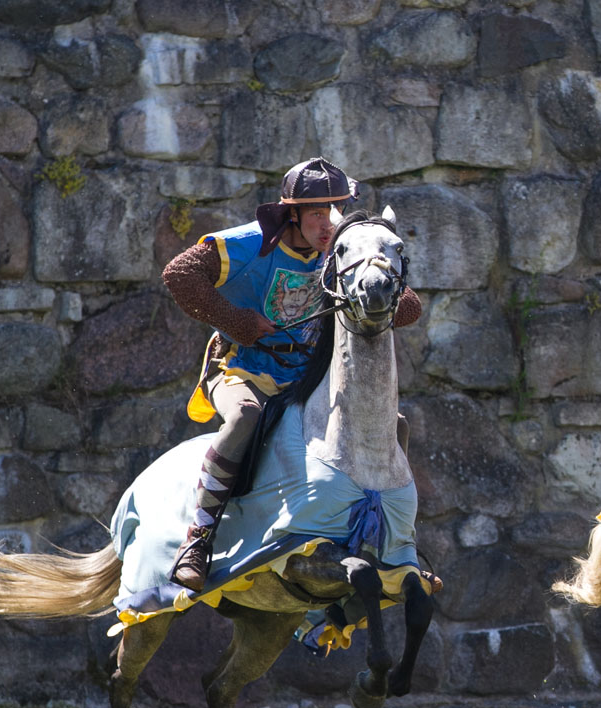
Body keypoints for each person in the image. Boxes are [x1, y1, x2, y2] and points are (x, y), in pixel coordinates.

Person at [162, 157, 421, 592]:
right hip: (243, 366)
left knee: (393, 425)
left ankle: (394, 544)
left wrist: (376, 291)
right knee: (245, 417)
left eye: (335, 211)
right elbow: (179, 274)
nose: (327, 223)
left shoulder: (343, 252)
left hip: (307, 378)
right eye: (317, 213)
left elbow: (409, 307)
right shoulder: (250, 244)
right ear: (292, 214)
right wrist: (238, 321)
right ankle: (199, 539)